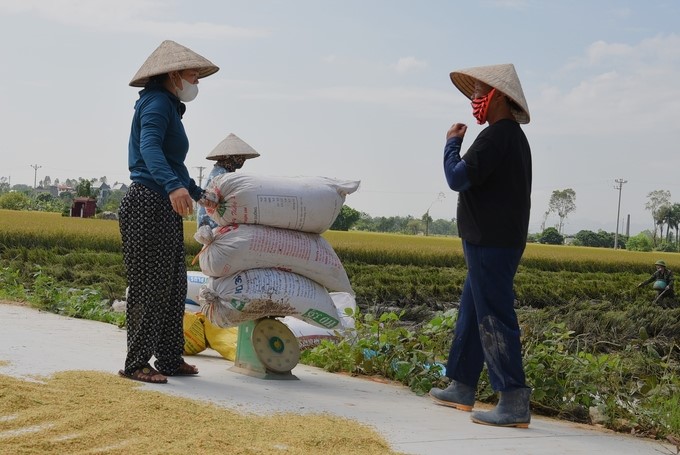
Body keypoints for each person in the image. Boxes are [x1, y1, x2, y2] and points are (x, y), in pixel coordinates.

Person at [428, 64, 533, 428]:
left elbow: (458, 178)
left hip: (492, 241)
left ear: (499, 97)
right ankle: (462, 384)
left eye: (479, 93)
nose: (474, 100)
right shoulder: (509, 137)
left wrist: (451, 144)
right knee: (473, 312)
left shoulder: (496, 137)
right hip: (492, 239)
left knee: (494, 316)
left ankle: (514, 398)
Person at [118, 40, 219, 384]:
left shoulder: (170, 106)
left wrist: (197, 192)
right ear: (174, 74)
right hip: (148, 201)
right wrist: (173, 187)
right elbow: (148, 148)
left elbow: (174, 162)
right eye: (193, 74)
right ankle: (136, 364)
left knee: (174, 286)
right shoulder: (157, 103)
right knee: (149, 287)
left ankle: (170, 358)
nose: (197, 81)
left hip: (164, 202)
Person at [197, 133, 260, 230]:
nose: (242, 160)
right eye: (239, 157)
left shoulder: (223, 172)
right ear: (229, 157)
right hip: (212, 224)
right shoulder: (221, 175)